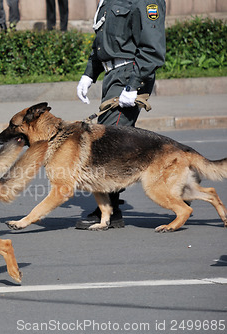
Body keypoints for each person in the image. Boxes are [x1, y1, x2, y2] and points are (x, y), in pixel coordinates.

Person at [75, 0, 166, 229]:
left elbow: (152, 48)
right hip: (112, 74)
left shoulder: (145, 1)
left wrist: (134, 84)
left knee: (108, 143)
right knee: (109, 140)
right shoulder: (108, 1)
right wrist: (90, 73)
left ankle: (110, 210)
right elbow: (103, 42)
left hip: (129, 74)